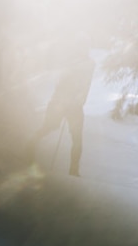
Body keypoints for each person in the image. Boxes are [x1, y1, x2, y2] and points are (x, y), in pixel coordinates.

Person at [29, 45, 95, 176]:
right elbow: (63, 85)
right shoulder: (80, 64)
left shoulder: (82, 64)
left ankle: (74, 169)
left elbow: (81, 85)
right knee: (52, 128)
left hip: (71, 105)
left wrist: (76, 99)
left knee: (74, 137)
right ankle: (30, 147)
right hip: (64, 104)